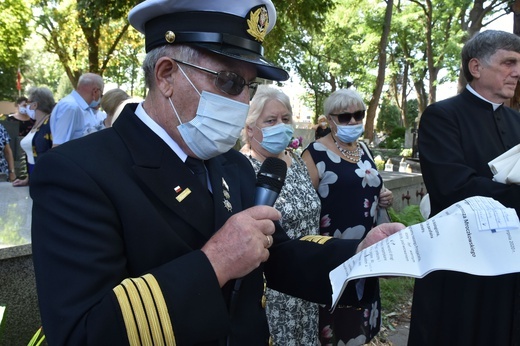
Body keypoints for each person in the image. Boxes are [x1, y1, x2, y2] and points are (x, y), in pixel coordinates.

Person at [30, 1, 404, 345]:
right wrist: (214, 264)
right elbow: (81, 331)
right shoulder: (77, 172)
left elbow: (279, 254)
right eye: (229, 82)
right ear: (166, 76)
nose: (244, 102)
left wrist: (360, 253)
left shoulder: (232, 165)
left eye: (249, 85)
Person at [410, 30, 520, 346]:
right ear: (476, 67)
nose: (517, 72)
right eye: (508, 62)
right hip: (460, 264)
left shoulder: (517, 122)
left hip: (510, 265)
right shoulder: (441, 116)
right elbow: (454, 187)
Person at [302, 88, 394, 345]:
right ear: (330, 119)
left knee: (360, 322)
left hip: (368, 251)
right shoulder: (314, 154)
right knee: (335, 324)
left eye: (358, 115)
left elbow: (367, 184)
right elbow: (305, 204)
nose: (353, 121)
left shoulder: (363, 149)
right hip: (334, 253)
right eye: (345, 117)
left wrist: (383, 194)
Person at [239, 85, 321, 345]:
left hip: (307, 280)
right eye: (271, 120)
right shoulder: (241, 169)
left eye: (285, 119)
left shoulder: (296, 162)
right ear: (250, 128)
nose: (281, 126)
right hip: (271, 288)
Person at [12, 87, 55, 187]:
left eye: (28, 102)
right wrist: (28, 179)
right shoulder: (36, 123)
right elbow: (31, 154)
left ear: (35, 105)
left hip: (45, 180)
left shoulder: (50, 123)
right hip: (34, 177)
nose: (27, 106)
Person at [50, 72, 104, 146]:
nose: (101, 97)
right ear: (95, 91)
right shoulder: (71, 107)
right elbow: (59, 145)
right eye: (101, 93)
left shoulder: (85, 108)